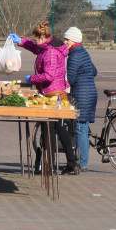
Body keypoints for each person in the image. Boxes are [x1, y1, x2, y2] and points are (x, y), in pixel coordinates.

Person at [9, 22, 76, 173]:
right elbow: (35, 47)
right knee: (59, 128)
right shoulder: (45, 47)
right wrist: (20, 41)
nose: (35, 42)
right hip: (51, 93)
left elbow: (49, 76)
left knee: (49, 129)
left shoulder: (51, 53)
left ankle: (51, 165)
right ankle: (71, 162)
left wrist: (31, 78)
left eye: (36, 39)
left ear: (43, 37)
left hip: (54, 94)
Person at [63, 26, 97, 173]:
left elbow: (69, 78)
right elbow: (94, 71)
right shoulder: (83, 52)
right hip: (91, 93)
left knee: (80, 129)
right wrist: (85, 77)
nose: (65, 42)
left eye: (67, 39)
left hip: (82, 95)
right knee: (83, 127)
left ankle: (82, 163)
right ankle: (81, 160)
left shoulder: (74, 56)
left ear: (74, 40)